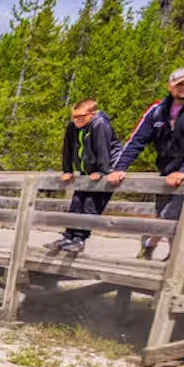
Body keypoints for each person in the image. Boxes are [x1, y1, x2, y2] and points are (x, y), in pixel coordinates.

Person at [107, 66, 184, 260]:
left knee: (176, 214)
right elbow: (137, 140)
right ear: (170, 86)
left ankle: (162, 251)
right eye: (179, 84)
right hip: (170, 167)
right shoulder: (158, 111)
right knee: (164, 214)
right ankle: (165, 252)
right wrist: (119, 168)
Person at [45, 99, 121, 255]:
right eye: (74, 116)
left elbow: (103, 148)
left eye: (81, 117)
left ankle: (79, 239)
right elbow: (67, 149)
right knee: (77, 202)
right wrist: (67, 170)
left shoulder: (99, 124)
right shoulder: (72, 126)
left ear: (91, 115)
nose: (77, 120)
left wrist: (102, 172)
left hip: (107, 169)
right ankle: (68, 237)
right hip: (86, 171)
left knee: (90, 204)